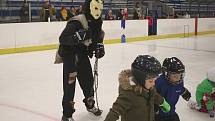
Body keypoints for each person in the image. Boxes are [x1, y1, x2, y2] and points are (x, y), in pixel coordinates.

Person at [55, 0, 105, 121]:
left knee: (88, 80)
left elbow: (97, 36)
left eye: (100, 8)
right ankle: (67, 115)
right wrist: (77, 37)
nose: (98, 11)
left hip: (82, 54)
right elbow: (63, 38)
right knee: (69, 86)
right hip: (70, 55)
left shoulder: (97, 22)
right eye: (95, 8)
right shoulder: (77, 21)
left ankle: (90, 105)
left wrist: (99, 45)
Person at [104, 55, 171, 121]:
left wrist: (163, 102)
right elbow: (115, 111)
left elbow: (155, 95)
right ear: (140, 78)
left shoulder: (149, 87)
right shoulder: (129, 94)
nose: (153, 84)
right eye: (151, 81)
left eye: (154, 80)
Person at [155, 57, 191, 121]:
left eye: (180, 75)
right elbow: (152, 94)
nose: (177, 78)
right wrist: (154, 105)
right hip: (158, 114)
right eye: (174, 75)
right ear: (166, 73)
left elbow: (179, 88)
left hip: (171, 113)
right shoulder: (160, 82)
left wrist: (184, 92)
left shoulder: (179, 82)